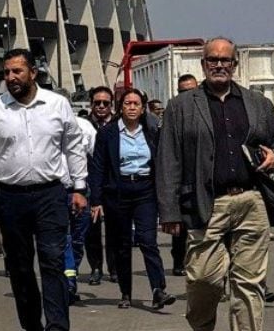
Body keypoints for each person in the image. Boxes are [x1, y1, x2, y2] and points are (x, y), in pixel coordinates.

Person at [158, 37, 274, 331]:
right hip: (206, 204)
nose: (219, 65)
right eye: (212, 60)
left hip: (250, 200)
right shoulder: (182, 107)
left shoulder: (257, 104)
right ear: (203, 65)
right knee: (203, 277)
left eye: (226, 60)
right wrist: (169, 211)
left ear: (235, 65)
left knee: (249, 284)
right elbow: (168, 159)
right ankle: (201, 330)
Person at [0, 48, 91, 331]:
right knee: (20, 267)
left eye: (17, 72)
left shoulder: (57, 105)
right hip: (10, 197)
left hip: (50, 194)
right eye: (7, 73)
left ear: (32, 74)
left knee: (52, 261)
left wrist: (79, 187)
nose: (10, 78)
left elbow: (74, 147)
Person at [89, 87, 175, 310]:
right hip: (118, 192)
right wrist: (96, 199)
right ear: (120, 107)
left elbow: (161, 161)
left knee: (148, 240)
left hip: (145, 189)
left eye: (136, 104)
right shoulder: (108, 133)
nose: (132, 108)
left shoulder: (151, 130)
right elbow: (98, 166)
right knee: (122, 243)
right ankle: (125, 291)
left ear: (142, 107)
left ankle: (158, 290)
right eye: (127, 103)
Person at [68, 87, 116, 294]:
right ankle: (96, 267)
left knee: (115, 228)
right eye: (97, 103)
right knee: (91, 230)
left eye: (105, 103)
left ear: (111, 105)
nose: (101, 107)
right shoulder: (85, 125)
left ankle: (114, 269)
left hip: (112, 183)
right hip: (89, 183)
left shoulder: (118, 124)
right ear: (91, 105)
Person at [169, 73, 201, 275]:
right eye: (183, 92)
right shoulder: (174, 112)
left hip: (203, 180)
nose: (187, 96)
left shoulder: (206, 113)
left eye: (192, 91)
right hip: (182, 179)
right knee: (180, 226)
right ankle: (179, 260)